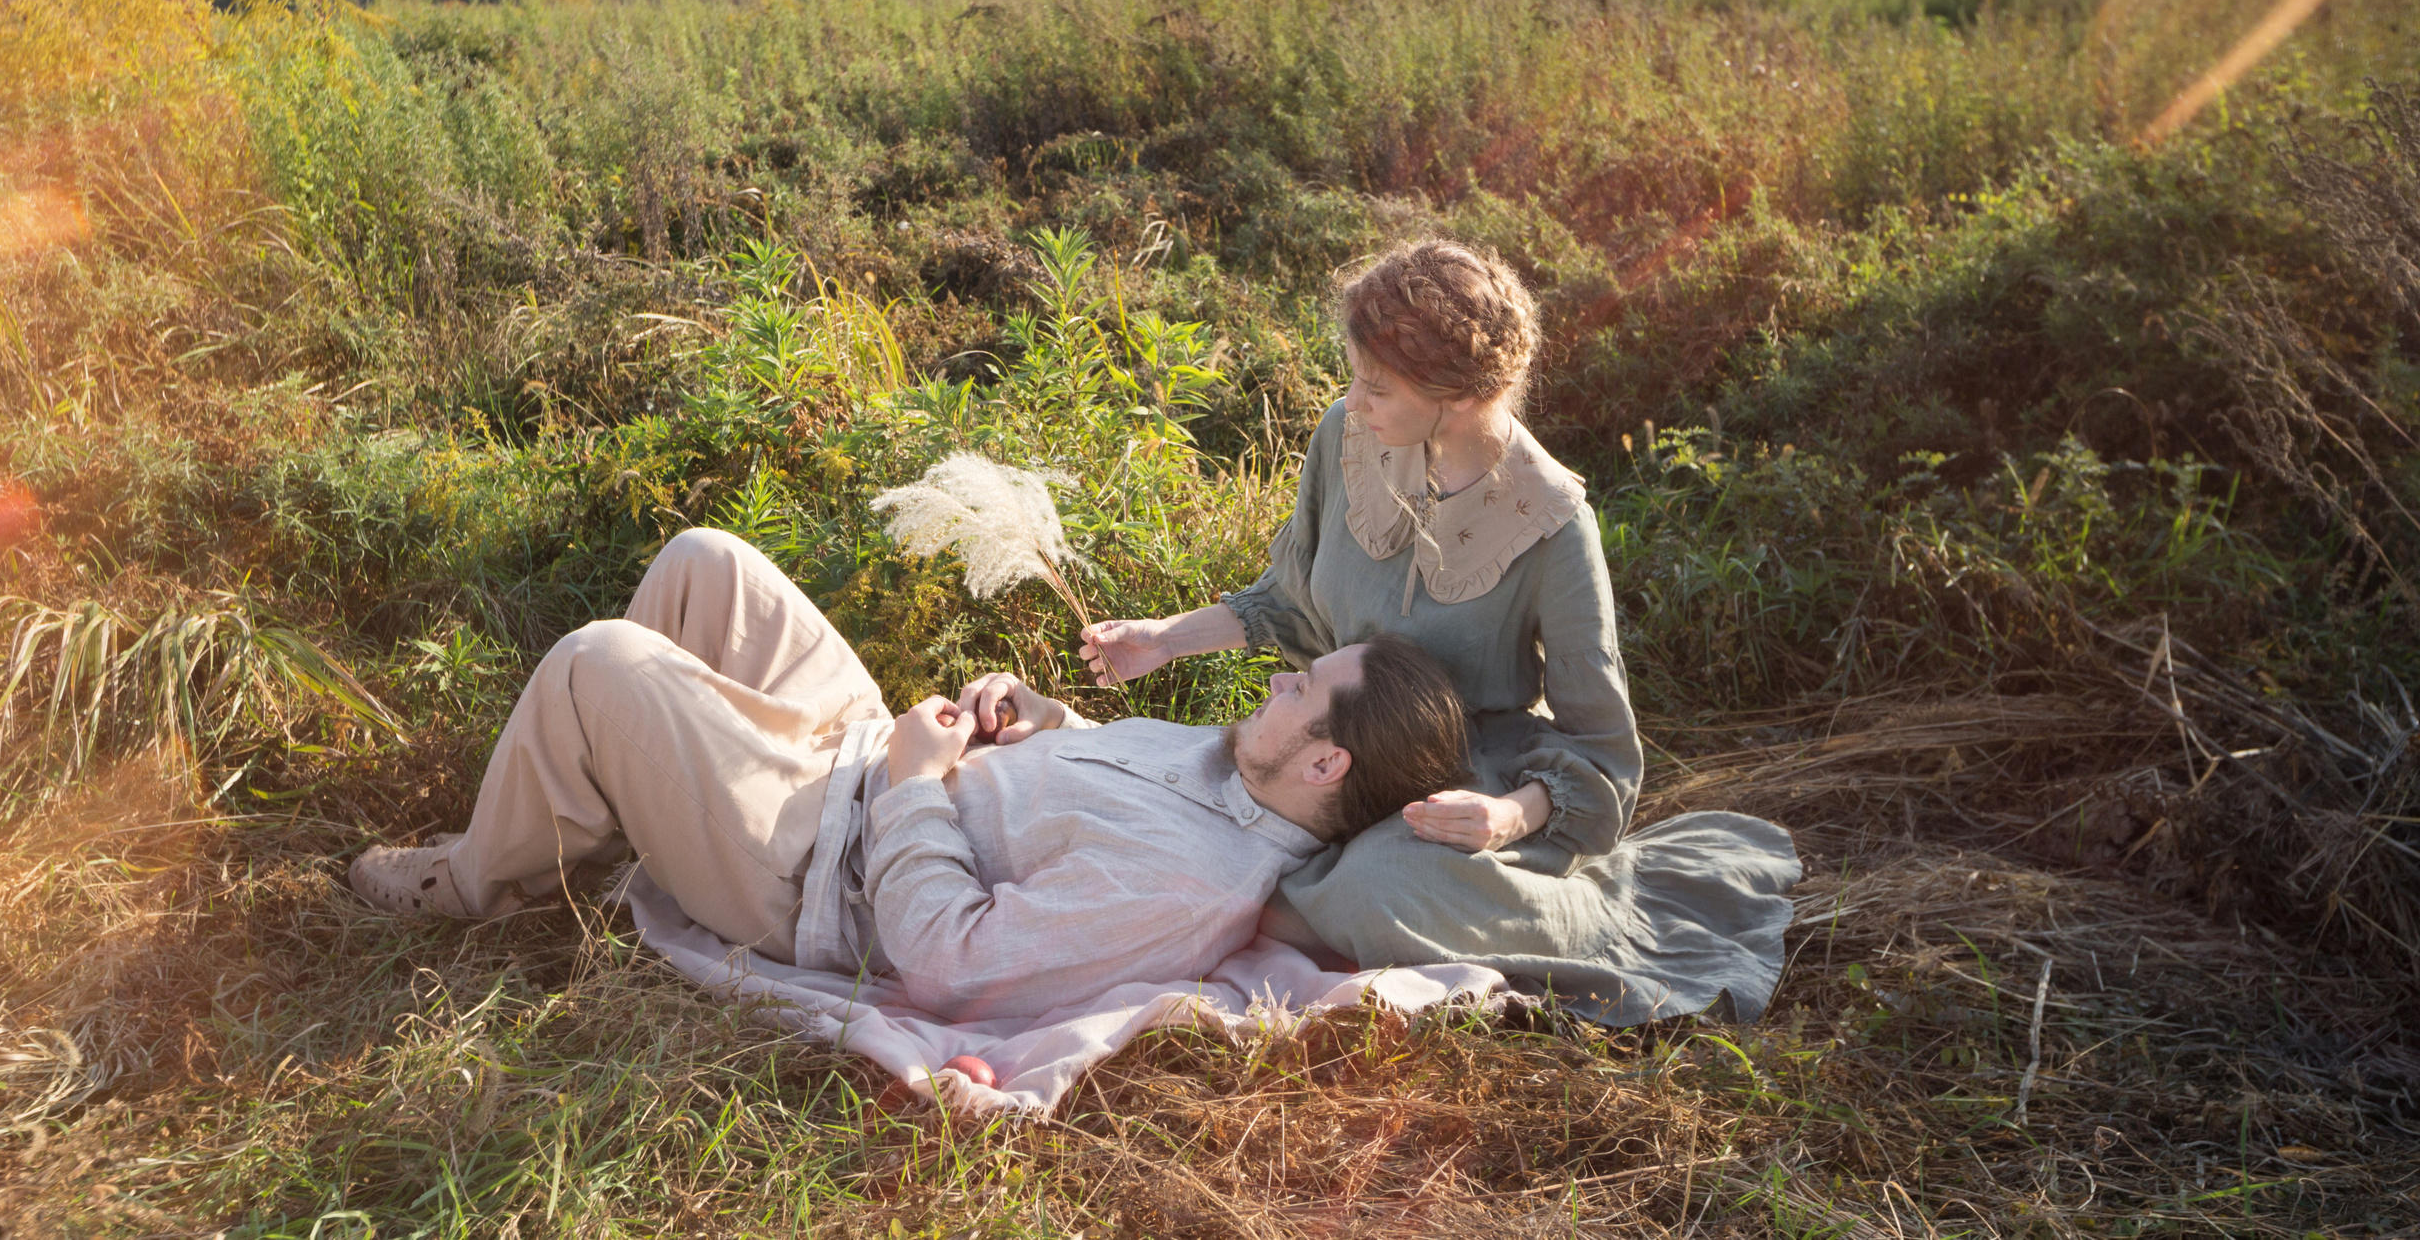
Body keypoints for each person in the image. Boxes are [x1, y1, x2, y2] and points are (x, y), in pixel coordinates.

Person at [1077, 239, 1801, 1024]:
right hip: (1334, 747)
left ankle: (1555, 911)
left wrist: (1508, 817)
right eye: (1356, 377)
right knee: (1155, 797)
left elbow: (1603, 753)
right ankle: (1292, 900)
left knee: (1374, 883)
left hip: (1464, 783)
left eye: (1377, 386)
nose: (1354, 401)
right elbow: (1290, 598)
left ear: (1457, 395)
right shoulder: (1347, 439)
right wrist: (1161, 638)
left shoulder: (1554, 527)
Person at [347, 527, 1473, 1020]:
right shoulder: (1228, 766)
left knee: (599, 660)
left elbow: (946, 963)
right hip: (855, 761)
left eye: (1301, 686)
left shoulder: (1186, 887)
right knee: (708, 567)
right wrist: (1035, 718)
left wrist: (916, 786)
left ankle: (473, 882)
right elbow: (1089, 785)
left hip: (815, 864)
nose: (1275, 679)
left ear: (1326, 760)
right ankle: (595, 821)